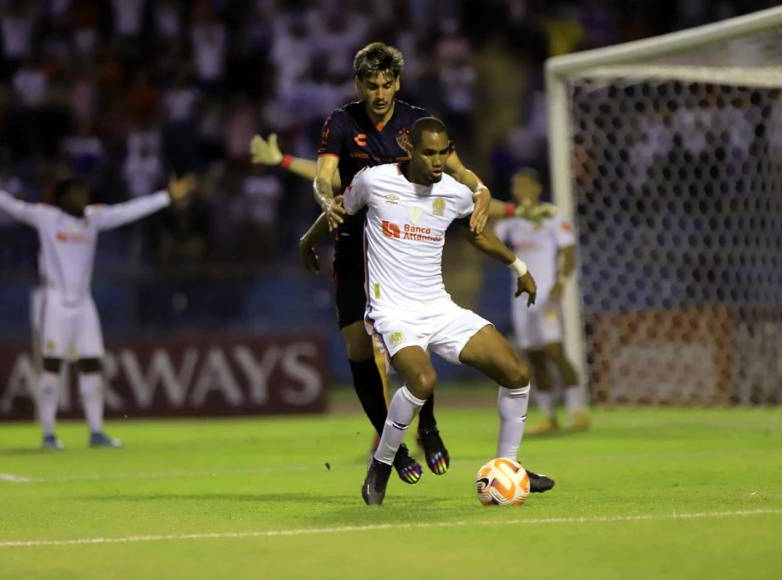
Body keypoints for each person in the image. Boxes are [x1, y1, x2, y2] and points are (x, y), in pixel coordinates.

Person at [251, 42, 534, 483]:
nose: (380, 93)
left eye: (386, 84)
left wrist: (481, 192)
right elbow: (327, 179)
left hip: (402, 243)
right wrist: (323, 207)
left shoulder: (415, 124)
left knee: (417, 333)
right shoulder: (342, 123)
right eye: (371, 85)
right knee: (360, 352)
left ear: (397, 83)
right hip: (352, 243)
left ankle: (430, 428)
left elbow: (461, 172)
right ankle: (393, 447)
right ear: (358, 85)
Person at [341, 117, 554, 505]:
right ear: (409, 147)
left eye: (443, 152)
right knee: (423, 381)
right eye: (429, 152)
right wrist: (309, 242)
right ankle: (382, 464)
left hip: (439, 308)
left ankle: (508, 466)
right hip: (393, 312)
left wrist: (518, 267)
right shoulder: (374, 181)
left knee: (518, 372)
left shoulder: (455, 193)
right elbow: (339, 211)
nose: (437, 161)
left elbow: (478, 235)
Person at [0, 166, 194, 449]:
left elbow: (127, 211)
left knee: (92, 366)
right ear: (62, 198)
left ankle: (96, 431)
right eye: (76, 193)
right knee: (52, 369)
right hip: (56, 302)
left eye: (84, 193)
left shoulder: (92, 220)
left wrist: (166, 197)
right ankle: (48, 433)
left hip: (84, 303)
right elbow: (13, 207)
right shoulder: (47, 218)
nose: (82, 198)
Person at [492, 168, 590, 433]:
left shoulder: (552, 215)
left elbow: (568, 251)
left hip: (546, 293)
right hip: (521, 296)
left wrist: (560, 282)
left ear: (536, 188)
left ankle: (577, 411)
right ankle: (548, 416)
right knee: (534, 357)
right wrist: (507, 210)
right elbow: (488, 231)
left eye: (523, 185)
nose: (519, 190)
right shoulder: (512, 220)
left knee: (555, 350)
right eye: (515, 185)